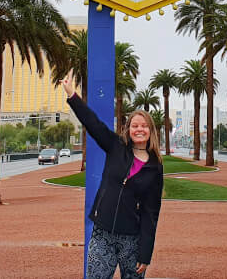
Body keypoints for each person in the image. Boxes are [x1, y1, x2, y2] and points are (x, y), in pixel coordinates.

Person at [61, 69, 163, 278]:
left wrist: (145, 254)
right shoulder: (116, 146)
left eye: (144, 126)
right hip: (103, 233)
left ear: (151, 131)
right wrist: (72, 95)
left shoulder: (155, 167)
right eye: (135, 125)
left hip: (132, 240)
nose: (139, 129)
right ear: (128, 129)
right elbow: (93, 124)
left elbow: (151, 213)